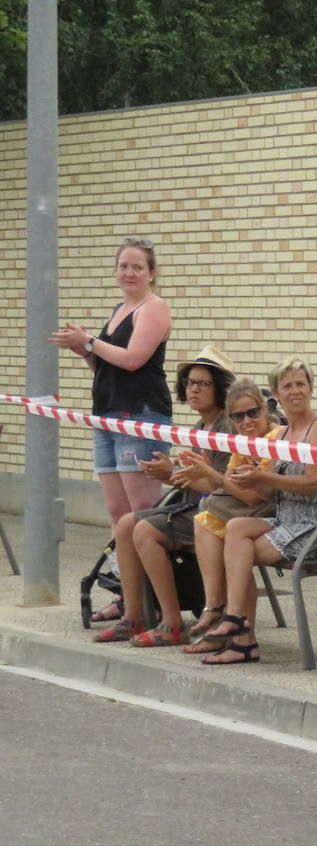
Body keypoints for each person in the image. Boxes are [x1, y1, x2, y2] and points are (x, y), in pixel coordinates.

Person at [198, 358, 317, 665]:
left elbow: (314, 483)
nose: (295, 391)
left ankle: (241, 634)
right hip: (283, 518)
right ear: (276, 393)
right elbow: (266, 493)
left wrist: (264, 476)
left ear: (311, 388)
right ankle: (238, 623)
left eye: (301, 384)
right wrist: (248, 476)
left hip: (315, 522)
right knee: (235, 529)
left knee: (237, 550)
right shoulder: (280, 435)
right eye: (287, 385)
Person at [89, 346, 235, 644]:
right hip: (194, 509)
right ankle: (135, 614)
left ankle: (171, 623)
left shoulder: (225, 428)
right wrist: (170, 473)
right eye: (189, 383)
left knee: (143, 530)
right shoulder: (200, 426)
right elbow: (196, 480)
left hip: (217, 514)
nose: (192, 389)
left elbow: (223, 488)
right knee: (128, 523)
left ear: (220, 388)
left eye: (202, 384)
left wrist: (175, 475)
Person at [50, 235, 173, 542]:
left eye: (137, 267)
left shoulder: (153, 307)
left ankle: (148, 588)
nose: (129, 273)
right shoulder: (119, 308)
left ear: (151, 273)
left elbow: (133, 360)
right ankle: (123, 582)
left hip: (139, 415)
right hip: (107, 413)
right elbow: (107, 367)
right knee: (117, 511)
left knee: (141, 512)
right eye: (123, 266)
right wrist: (85, 350)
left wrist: (91, 341)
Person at [180, 378, 283, 653]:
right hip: (253, 515)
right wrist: (193, 473)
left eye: (253, 413)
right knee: (206, 523)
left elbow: (253, 495)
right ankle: (216, 610)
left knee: (233, 536)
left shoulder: (275, 438)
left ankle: (234, 629)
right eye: (238, 416)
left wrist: (210, 474)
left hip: (280, 517)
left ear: (264, 410)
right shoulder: (243, 443)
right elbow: (227, 485)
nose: (247, 421)